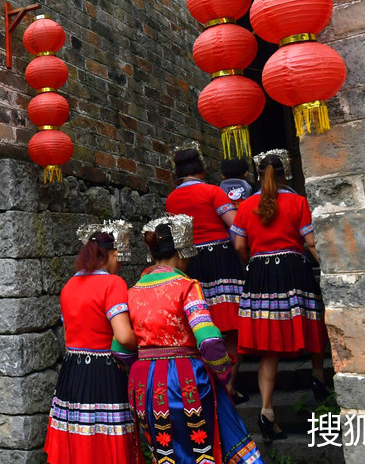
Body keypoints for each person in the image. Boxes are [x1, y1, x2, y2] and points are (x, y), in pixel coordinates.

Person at [128, 216, 261, 464]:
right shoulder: (186, 286)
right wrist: (223, 371)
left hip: (144, 384)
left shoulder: (132, 292)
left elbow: (121, 348)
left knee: (165, 452)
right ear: (183, 251)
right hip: (184, 380)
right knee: (200, 447)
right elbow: (209, 342)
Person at [232, 153, 329, 441]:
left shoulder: (247, 205)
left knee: (269, 343)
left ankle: (266, 410)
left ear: (258, 175)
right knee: (310, 321)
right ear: (285, 173)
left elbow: (238, 245)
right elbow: (310, 240)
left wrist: (253, 261)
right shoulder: (297, 202)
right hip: (292, 268)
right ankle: (318, 377)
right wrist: (326, 267)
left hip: (261, 272)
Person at [44, 222, 141, 464]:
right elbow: (124, 336)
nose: (120, 264)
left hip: (73, 372)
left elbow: (70, 334)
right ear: (113, 254)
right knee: (105, 438)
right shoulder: (113, 284)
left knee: (78, 435)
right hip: (103, 372)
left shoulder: (69, 286)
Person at [165, 148, 246, 402]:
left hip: (191, 263)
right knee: (232, 324)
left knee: (202, 323)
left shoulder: (171, 200)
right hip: (221, 258)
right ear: (201, 168)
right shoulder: (212, 191)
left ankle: (211, 384)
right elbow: (235, 224)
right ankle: (230, 384)